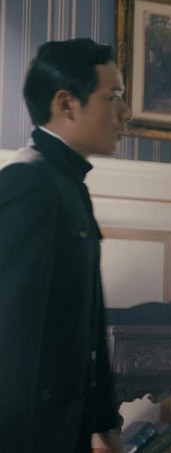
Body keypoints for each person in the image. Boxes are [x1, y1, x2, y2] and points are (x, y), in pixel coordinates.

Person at [0, 38, 132, 452]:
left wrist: (104, 420)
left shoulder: (68, 185)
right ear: (66, 104)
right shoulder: (29, 183)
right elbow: (13, 334)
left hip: (63, 427)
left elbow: (89, 322)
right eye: (113, 96)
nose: (126, 112)